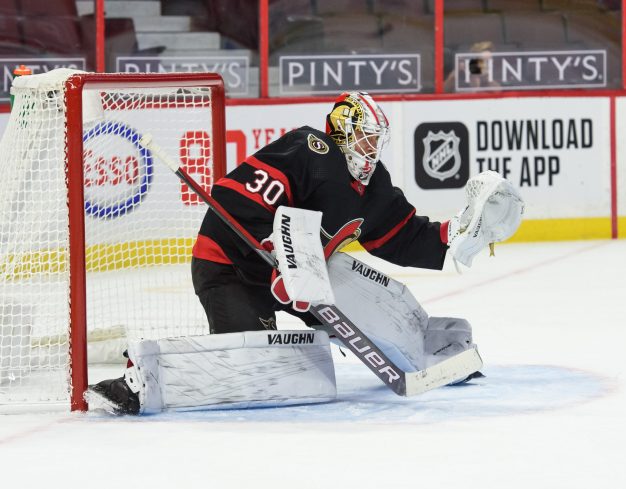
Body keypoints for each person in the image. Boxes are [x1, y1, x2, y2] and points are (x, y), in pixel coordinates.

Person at [87, 91, 522, 414]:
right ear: (342, 132)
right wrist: (270, 251)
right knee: (267, 370)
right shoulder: (308, 150)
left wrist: (455, 235)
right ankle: (141, 380)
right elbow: (236, 198)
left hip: (303, 274)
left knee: (369, 299)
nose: (372, 152)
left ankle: (437, 345)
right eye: (365, 140)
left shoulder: (372, 186)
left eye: (377, 142)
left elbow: (401, 235)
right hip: (232, 267)